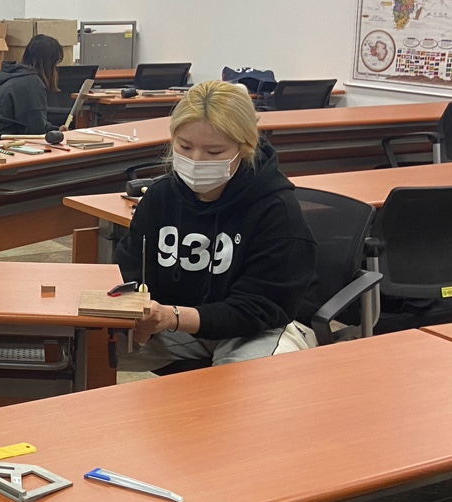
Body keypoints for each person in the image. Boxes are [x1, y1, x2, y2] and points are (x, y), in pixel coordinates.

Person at [114, 80, 317, 370]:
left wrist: (173, 317)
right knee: (83, 343)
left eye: (214, 152)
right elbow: (130, 268)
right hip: (173, 326)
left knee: (244, 380)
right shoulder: (160, 197)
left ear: (244, 148)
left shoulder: (276, 209)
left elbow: (259, 307)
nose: (196, 160)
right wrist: (139, 313)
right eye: (184, 146)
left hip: (255, 330)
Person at [0, 34, 63, 137]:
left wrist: (55, 130)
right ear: (49, 64)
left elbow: (32, 122)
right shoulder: (32, 83)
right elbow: (36, 131)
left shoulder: (18, 76)